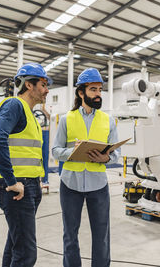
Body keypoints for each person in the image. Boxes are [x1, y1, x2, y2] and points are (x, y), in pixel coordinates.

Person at [52, 68, 120, 267]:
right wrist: (73, 152)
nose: (98, 94)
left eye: (99, 90)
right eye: (93, 89)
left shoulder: (108, 121)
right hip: (69, 185)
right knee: (70, 235)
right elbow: (55, 151)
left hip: (98, 186)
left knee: (101, 235)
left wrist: (104, 158)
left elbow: (116, 154)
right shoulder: (66, 119)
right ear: (81, 93)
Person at [0, 62, 51, 267]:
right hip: (17, 189)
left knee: (16, 246)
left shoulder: (30, 114)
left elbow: (28, 153)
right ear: (28, 85)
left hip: (29, 186)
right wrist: (12, 180)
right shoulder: (15, 105)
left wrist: (37, 180)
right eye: (43, 84)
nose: (47, 90)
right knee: (26, 255)